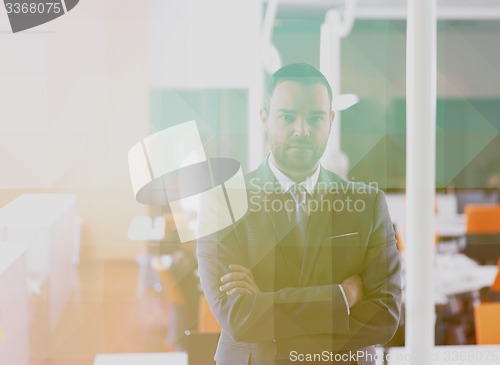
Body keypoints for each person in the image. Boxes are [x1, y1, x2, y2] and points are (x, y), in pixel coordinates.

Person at [196, 63, 402, 365]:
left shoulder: (367, 203)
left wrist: (267, 311)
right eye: (287, 116)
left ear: (331, 120)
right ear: (264, 118)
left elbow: (385, 316)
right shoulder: (222, 203)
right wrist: (341, 298)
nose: (302, 130)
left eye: (315, 117)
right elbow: (237, 316)